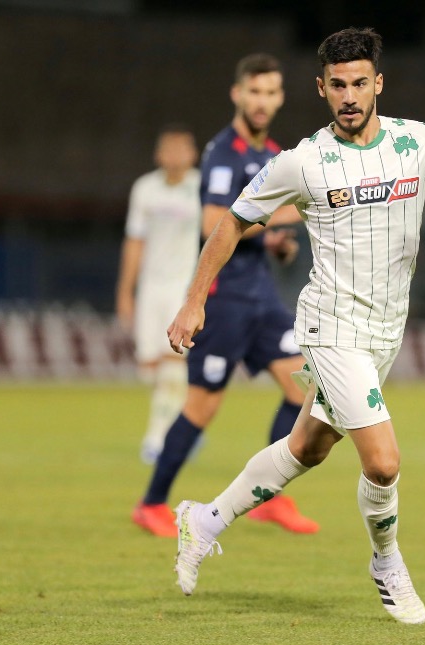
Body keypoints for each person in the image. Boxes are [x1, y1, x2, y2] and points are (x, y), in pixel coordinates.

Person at [166, 27, 425, 625]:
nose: (349, 96)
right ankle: (388, 563)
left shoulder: (420, 143)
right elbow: (231, 222)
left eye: (359, 83)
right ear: (321, 88)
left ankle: (203, 520)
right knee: (384, 462)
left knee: (306, 448)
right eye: (337, 85)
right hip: (331, 327)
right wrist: (195, 301)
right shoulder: (304, 161)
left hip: (385, 332)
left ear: (378, 84)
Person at [131, 53, 319, 538]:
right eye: (254, 91)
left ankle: (269, 498)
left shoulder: (273, 154)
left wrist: (275, 244)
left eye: (270, 92)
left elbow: (253, 228)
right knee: (202, 407)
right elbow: (214, 223)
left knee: (303, 388)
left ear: (280, 98)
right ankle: (151, 504)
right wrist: (286, 216)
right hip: (225, 298)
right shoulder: (223, 153)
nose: (262, 101)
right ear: (237, 94)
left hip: (262, 297)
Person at [116, 124, 201, 465]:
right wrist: (126, 291)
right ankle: (185, 424)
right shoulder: (145, 189)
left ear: (193, 154)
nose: (176, 155)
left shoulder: (202, 187)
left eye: (182, 149)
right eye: (170, 149)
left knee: (173, 360)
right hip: (151, 286)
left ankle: (157, 438)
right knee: (150, 368)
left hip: (184, 286)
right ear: (159, 155)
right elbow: (135, 241)